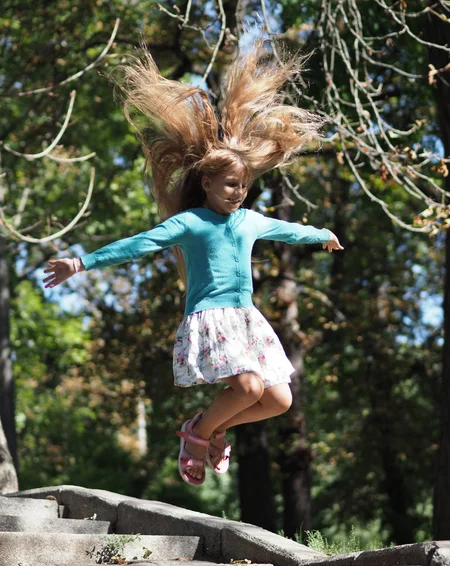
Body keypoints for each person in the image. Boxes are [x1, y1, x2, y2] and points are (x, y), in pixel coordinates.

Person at [43, 38, 343, 486]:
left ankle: (213, 426)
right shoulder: (191, 223)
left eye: (242, 186)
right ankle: (197, 435)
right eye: (228, 185)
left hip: (246, 320)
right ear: (205, 183)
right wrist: (81, 263)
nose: (237, 193)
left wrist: (323, 234)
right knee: (248, 389)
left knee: (278, 401)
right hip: (212, 317)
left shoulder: (248, 221)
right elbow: (138, 243)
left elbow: (290, 231)